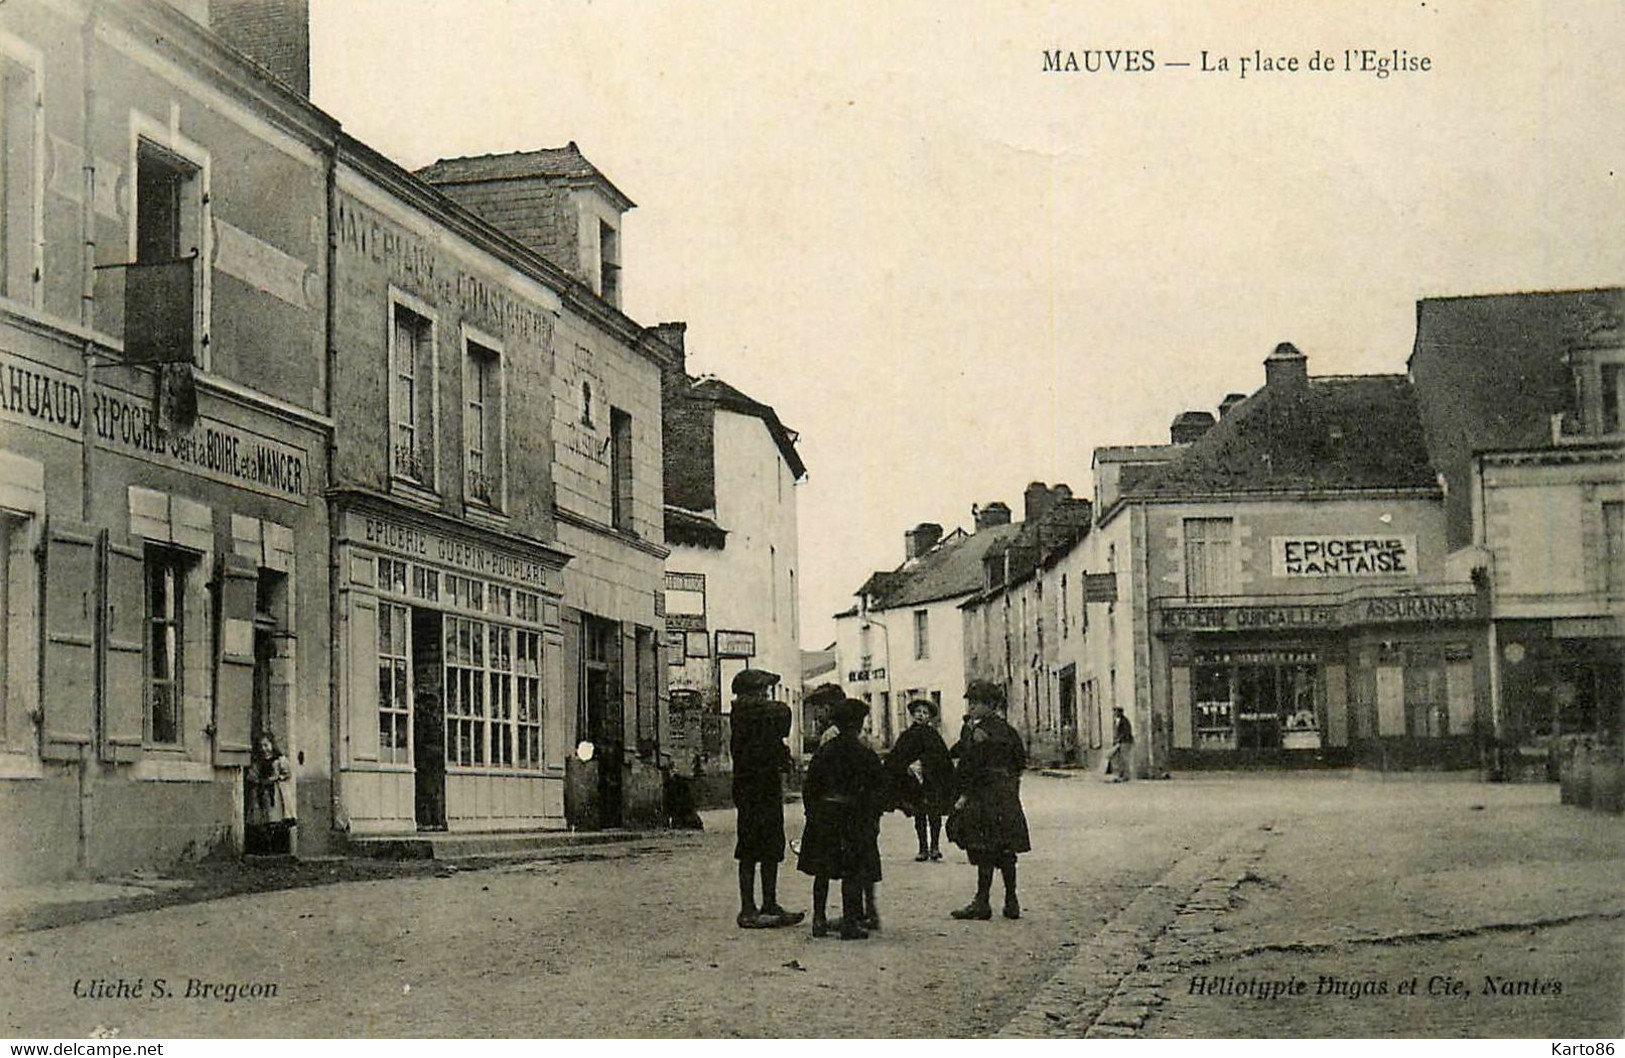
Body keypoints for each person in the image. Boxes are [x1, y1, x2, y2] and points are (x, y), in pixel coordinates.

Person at [797, 697, 888, 940]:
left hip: (826, 815)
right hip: (853, 818)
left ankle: (818, 919)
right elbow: (878, 789)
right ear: (859, 724)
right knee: (853, 871)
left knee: (822, 871)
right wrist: (872, 817)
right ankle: (849, 922)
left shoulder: (825, 751)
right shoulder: (865, 754)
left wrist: (812, 814)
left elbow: (810, 787)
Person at [946, 680, 1030, 921]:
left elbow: (972, 765)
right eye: (970, 702)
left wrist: (963, 794)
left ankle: (982, 902)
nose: (971, 707)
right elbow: (1019, 762)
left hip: (984, 794)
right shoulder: (1008, 730)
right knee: (1005, 848)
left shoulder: (980, 732)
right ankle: (1011, 901)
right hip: (1005, 795)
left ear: (990, 705)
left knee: (984, 847)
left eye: (976, 703)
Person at [729, 668, 805, 929]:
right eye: (762, 690)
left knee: (772, 847)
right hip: (752, 789)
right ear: (750, 693)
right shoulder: (745, 714)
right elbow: (783, 714)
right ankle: (748, 909)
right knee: (750, 849)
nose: (766, 695)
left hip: (765, 787)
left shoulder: (757, 716)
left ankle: (769, 904)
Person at [887, 698, 954, 861]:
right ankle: (922, 847)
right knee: (919, 814)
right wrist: (906, 767)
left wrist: (926, 764)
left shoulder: (933, 736)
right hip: (914, 783)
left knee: (934, 814)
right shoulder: (907, 736)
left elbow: (942, 758)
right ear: (912, 715)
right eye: (918, 712)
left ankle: (935, 846)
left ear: (929, 717)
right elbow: (896, 757)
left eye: (925, 713)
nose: (921, 715)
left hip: (932, 781)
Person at [244, 732, 294, 855]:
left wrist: (277, 777)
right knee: (262, 819)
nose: (264, 749)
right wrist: (259, 780)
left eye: (266, 745)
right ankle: (264, 849)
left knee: (276, 818)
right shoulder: (258, 762)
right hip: (261, 792)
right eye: (261, 746)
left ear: (272, 745)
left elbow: (287, 774)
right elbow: (251, 776)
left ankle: (280, 849)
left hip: (276, 793)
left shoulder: (279, 760)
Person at [1106, 706, 1136, 783]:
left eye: (1116, 712)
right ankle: (1121, 774)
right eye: (1114, 712)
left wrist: (1119, 739)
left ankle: (1125, 775)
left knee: (1124, 759)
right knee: (1120, 759)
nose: (1114, 713)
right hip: (1121, 742)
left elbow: (1126, 732)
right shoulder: (1117, 721)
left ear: (1120, 712)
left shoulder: (1124, 721)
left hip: (1125, 742)